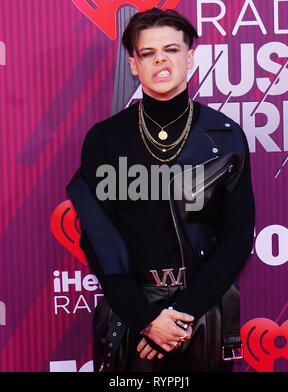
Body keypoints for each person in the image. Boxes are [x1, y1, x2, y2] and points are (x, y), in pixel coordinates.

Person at [66, 8, 255, 372]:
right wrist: (147, 319)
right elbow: (98, 240)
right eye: (148, 53)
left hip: (204, 310)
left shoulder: (227, 136)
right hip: (131, 316)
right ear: (134, 64)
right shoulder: (105, 140)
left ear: (191, 57)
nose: (161, 61)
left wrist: (182, 315)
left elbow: (238, 236)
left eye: (171, 49)